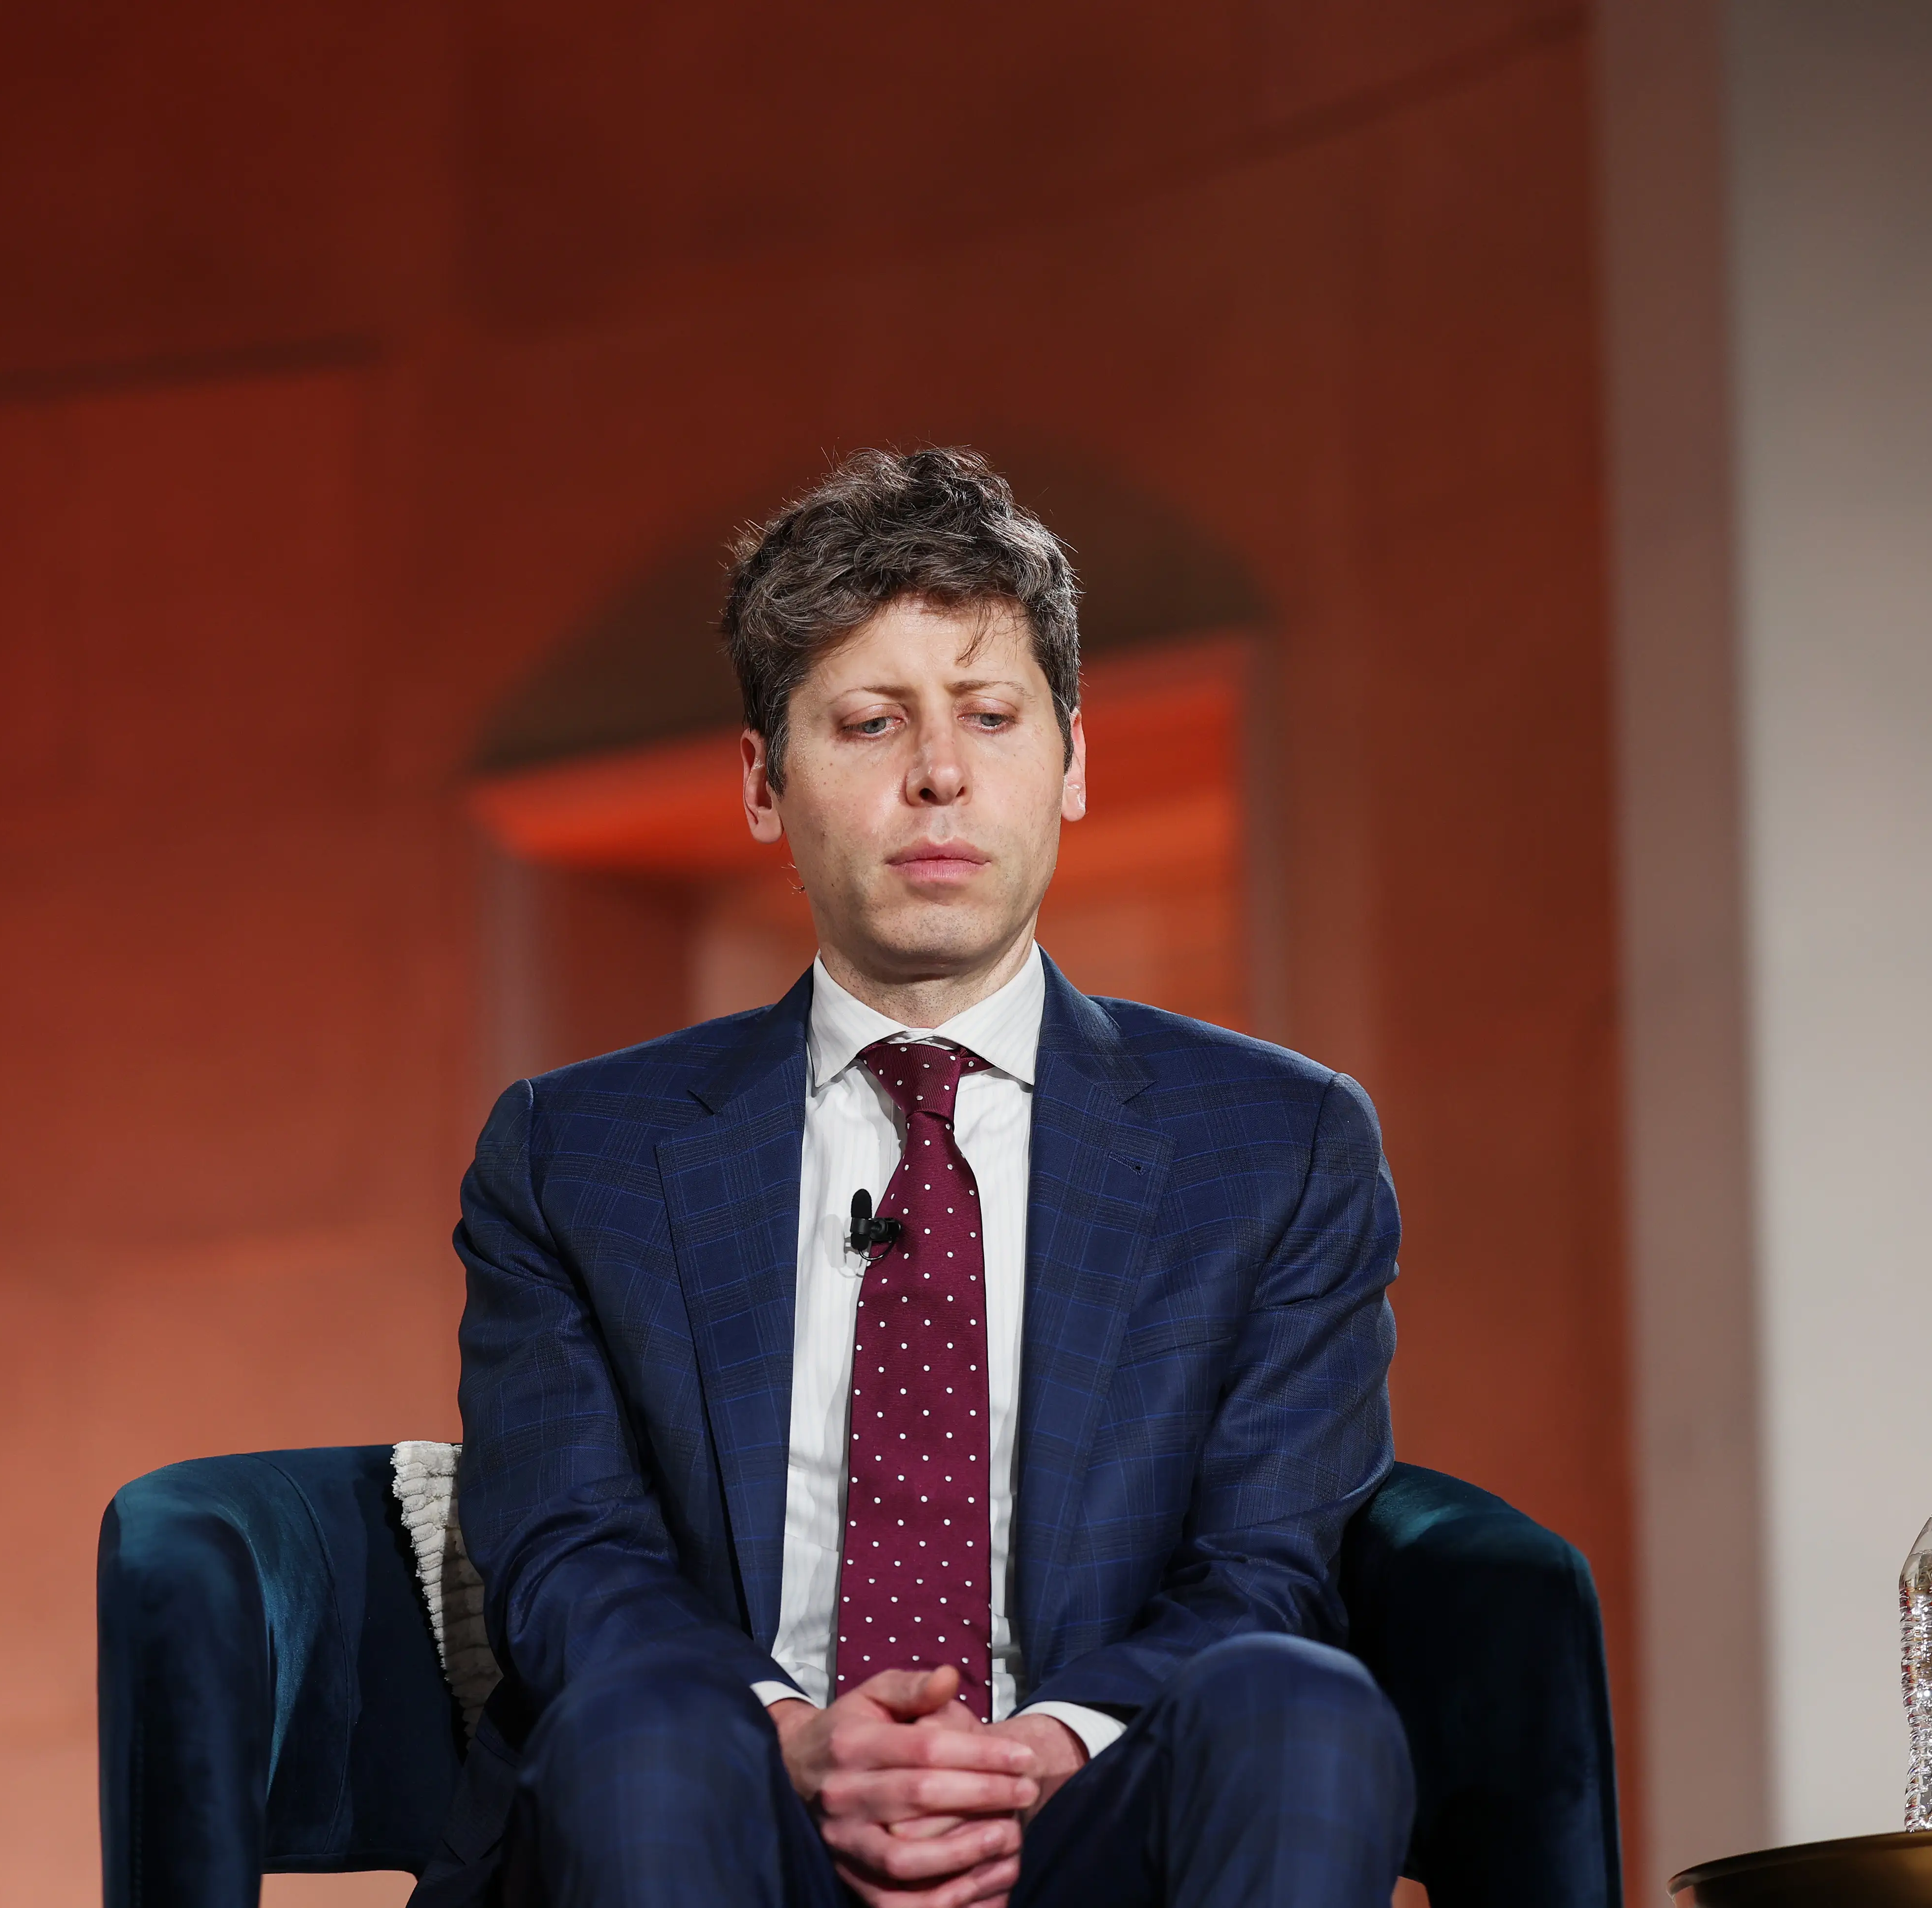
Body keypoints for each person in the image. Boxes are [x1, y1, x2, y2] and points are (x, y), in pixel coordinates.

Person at [413, 448, 1412, 1908]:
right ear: (764, 784)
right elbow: (568, 1554)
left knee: (1305, 1705)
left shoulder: (1280, 1143)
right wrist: (797, 1738)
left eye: (991, 717)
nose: (938, 772)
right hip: (728, 1806)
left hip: (1094, 1813)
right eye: (872, 721)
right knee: (640, 1731)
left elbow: (1269, 1560)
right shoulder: (577, 1155)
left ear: (1073, 761)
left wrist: (1036, 1757)